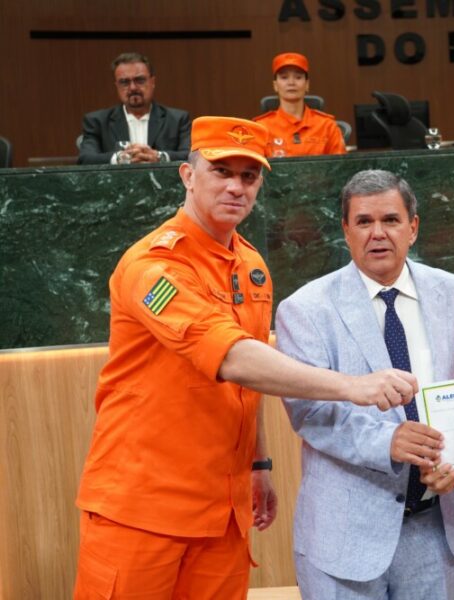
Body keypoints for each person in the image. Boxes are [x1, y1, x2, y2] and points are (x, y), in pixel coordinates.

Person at [74, 117, 417, 600]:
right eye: (221, 171)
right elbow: (230, 356)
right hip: (142, 510)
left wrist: (259, 465)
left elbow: (246, 381)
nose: (236, 186)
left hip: (223, 513)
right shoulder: (153, 266)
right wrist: (352, 386)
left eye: (249, 175)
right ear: (188, 176)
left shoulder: (251, 266)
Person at [275, 169, 454, 599]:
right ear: (345, 231)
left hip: (437, 527)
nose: (377, 233)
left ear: (414, 227)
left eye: (391, 220)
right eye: (364, 222)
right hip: (345, 536)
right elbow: (309, 411)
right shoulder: (305, 309)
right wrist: (387, 442)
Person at [78, 52, 191, 165]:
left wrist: (159, 157)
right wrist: (120, 158)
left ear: (152, 82)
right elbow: (86, 159)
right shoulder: (97, 121)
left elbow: (191, 156)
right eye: (124, 82)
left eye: (140, 80)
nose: (132, 87)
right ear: (117, 86)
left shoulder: (177, 119)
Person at [253, 52, 346, 157]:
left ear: (307, 84)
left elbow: (340, 168)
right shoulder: (261, 128)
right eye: (284, 77)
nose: (291, 82)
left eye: (298, 77)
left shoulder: (327, 126)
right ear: (275, 85)